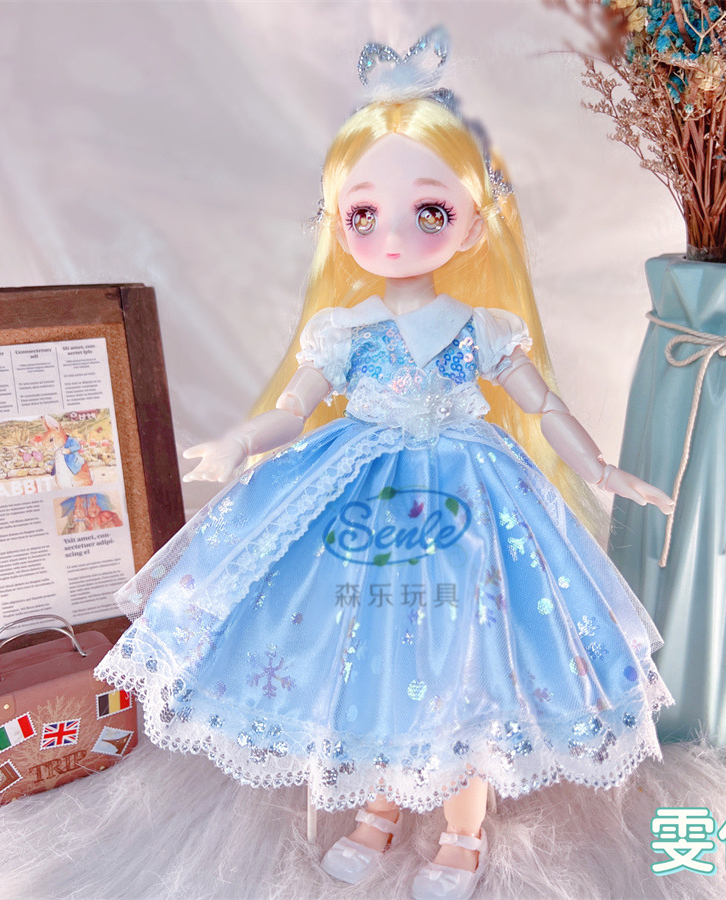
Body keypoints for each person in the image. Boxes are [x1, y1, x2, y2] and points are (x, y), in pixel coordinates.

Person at [96, 31, 673, 900]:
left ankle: (463, 829)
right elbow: (293, 409)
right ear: (338, 223)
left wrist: (600, 469)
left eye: (430, 211)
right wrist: (240, 441)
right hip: (357, 492)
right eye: (363, 215)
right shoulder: (344, 331)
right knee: (368, 647)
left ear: (475, 220)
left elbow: (544, 405)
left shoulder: (482, 329)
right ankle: (378, 807)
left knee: (467, 652)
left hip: (472, 499)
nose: (394, 233)